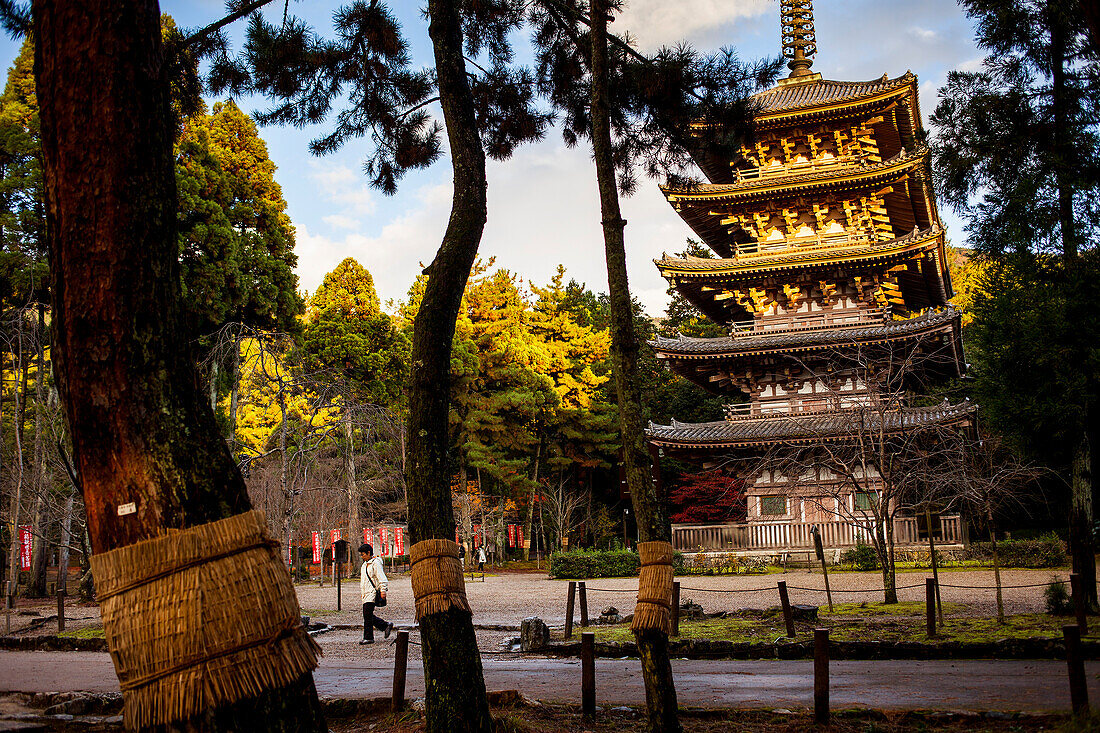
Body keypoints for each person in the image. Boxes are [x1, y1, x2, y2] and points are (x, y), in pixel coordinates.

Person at [359, 543, 394, 645]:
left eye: (363, 554)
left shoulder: (376, 563)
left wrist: (383, 590)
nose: (362, 557)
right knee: (368, 615)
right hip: (367, 593)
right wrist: (363, 593)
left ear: (368, 553)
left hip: (373, 592)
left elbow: (381, 578)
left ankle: (369, 637)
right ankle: (385, 625)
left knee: (367, 614)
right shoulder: (364, 565)